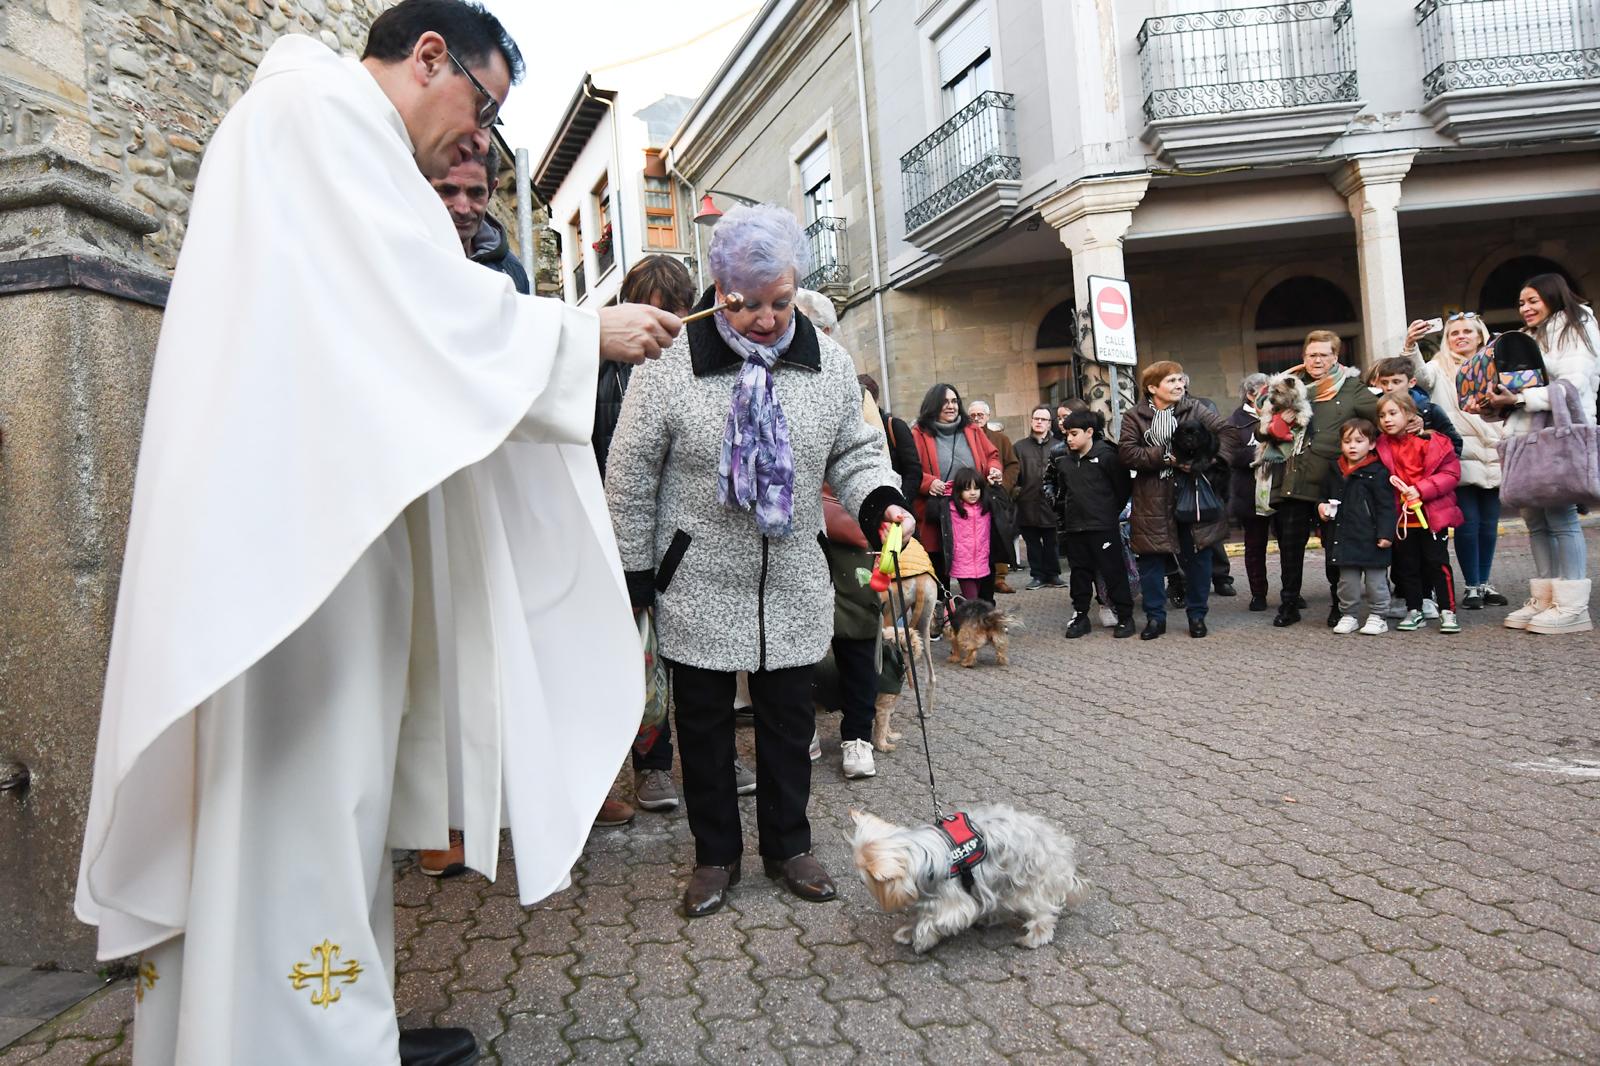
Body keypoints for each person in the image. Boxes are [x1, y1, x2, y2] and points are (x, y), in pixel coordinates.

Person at [73, 5, 682, 1064]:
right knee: (304, 810)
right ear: (430, 57)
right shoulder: (318, 114)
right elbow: (412, 306)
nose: (478, 140)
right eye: (481, 106)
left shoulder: (301, 122)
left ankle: (238, 1031)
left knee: (293, 817)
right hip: (302, 558)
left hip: (299, 528)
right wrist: (583, 331)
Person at [604, 204, 913, 919]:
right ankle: (715, 856)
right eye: (748, 305)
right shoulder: (669, 365)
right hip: (698, 576)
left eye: (781, 301)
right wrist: (635, 577)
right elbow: (630, 474)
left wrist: (879, 502)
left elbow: (858, 452)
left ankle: (789, 846)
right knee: (706, 730)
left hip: (793, 576)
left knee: (786, 724)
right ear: (719, 290)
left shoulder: (827, 363)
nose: (768, 319)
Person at [1468, 273, 1600, 634]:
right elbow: (1519, 389)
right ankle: (1545, 597)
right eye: (1521, 303)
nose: (1525, 308)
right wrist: (1494, 404)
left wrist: (1521, 397)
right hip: (1525, 438)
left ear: (1553, 297)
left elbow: (1573, 383)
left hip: (1555, 436)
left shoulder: (1576, 324)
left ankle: (1572, 605)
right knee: (1535, 521)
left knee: (1559, 517)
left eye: (1532, 301)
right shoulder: (1528, 337)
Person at [1266, 330, 1379, 628]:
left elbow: (1381, 420)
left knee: (1334, 548)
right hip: (1292, 478)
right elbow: (1261, 430)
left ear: (1335, 357)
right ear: (1304, 357)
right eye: (1312, 354)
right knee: (1290, 549)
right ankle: (1289, 604)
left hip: (1333, 482)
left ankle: (1338, 605)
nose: (1317, 359)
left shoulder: (1352, 388)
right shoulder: (1288, 386)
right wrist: (1277, 423)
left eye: (1324, 354)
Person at [1118, 361, 1235, 639]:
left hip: (1191, 492)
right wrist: (1167, 458)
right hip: (1151, 497)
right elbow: (1127, 453)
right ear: (1152, 387)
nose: (1179, 385)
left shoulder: (1195, 409)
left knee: (1198, 557)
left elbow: (1228, 433)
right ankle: (1155, 619)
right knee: (1151, 561)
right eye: (1171, 381)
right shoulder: (1135, 416)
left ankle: (1197, 616)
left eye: (1181, 380)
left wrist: (1207, 463)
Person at [1400, 312, 1507, 610]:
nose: (1460, 337)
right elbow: (1420, 376)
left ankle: (1485, 583)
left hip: (1495, 451)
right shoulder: (1438, 368)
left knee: (1489, 524)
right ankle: (1471, 585)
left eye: (1466, 332)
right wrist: (1410, 345)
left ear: (1479, 335)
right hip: (1460, 456)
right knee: (1467, 523)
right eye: (1454, 333)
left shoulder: (1496, 365)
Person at [1375, 392, 1463, 633]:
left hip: (1432, 515)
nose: (1387, 420)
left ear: (1410, 414)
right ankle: (1414, 610)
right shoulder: (1380, 445)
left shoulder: (1434, 442)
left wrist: (1420, 490)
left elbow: (1451, 474)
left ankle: (1448, 610)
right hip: (1401, 519)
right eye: (1382, 415)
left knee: (1437, 563)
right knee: (1406, 566)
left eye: (1393, 413)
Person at [909, 383, 1002, 595]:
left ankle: (984, 616)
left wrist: (994, 470)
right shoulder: (918, 433)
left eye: (954, 401)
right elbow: (908, 469)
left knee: (982, 567)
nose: (951, 406)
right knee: (940, 570)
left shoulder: (972, 429)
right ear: (933, 405)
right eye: (945, 402)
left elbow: (991, 456)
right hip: (939, 513)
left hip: (976, 513)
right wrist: (928, 482)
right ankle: (944, 617)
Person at [1053, 409, 1135, 638]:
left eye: (1074, 433)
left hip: (1103, 526)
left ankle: (1125, 616)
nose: (1069, 438)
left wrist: (1107, 514)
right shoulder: (1064, 462)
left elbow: (1122, 490)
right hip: (1075, 527)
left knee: (1113, 572)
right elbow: (1064, 491)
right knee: (1079, 574)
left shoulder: (1108, 456)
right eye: (1066, 434)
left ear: (1089, 432)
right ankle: (1080, 616)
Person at [1320, 419, 1396, 635]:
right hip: (1343, 537)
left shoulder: (1378, 472)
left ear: (1372, 444)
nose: (1352, 446)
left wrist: (1385, 533)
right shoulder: (1334, 469)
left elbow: (1386, 507)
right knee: (1347, 583)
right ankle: (1349, 614)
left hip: (1371, 538)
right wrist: (1321, 507)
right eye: (1347, 441)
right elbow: (1324, 496)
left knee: (1376, 582)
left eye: (1359, 441)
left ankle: (1379, 615)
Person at [429, 144, 529, 292]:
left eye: (476, 193)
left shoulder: (512, 271)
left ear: (492, 190)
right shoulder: (395, 253)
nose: (463, 209)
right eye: (448, 191)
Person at [1226, 373, 1272, 611]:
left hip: (1279, 490)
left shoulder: (1281, 413)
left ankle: (1290, 592)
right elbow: (1233, 456)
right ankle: (1258, 593)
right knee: (1255, 546)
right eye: (1265, 393)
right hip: (1249, 492)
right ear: (1251, 394)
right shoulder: (1234, 421)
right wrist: (1265, 452)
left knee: (1289, 544)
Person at [968, 400, 1021, 592]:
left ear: (988, 417)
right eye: (972, 415)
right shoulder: (965, 438)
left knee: (1000, 535)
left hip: (996, 496)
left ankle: (999, 577)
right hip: (973, 497)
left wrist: (1003, 486)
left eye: (980, 415)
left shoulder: (1001, 439)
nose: (976, 419)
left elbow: (1013, 465)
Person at [1014, 405, 1066, 589]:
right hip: (1027, 503)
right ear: (1031, 421)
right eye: (1036, 418)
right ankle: (1037, 575)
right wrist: (1017, 493)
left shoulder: (1059, 447)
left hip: (1051, 504)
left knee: (1052, 542)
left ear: (1049, 423)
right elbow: (1014, 475)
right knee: (1032, 542)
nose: (1039, 422)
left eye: (1043, 419)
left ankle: (1053, 575)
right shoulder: (1019, 447)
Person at [1368, 356, 1464, 455]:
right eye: (1384, 383)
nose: (1389, 388)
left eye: (1396, 382)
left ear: (1411, 382)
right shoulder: (1374, 410)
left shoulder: (1429, 410)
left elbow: (1455, 446)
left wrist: (1425, 435)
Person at [859, 374, 922, 502]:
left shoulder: (895, 426)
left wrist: (902, 502)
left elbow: (913, 471)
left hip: (896, 507)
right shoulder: (854, 430)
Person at [946, 467, 1005, 602]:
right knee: (973, 600)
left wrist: (995, 486)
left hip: (982, 562)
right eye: (967, 489)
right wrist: (946, 489)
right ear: (959, 491)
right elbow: (932, 509)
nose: (973, 493)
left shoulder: (985, 507)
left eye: (976, 488)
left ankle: (967, 615)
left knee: (979, 599)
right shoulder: (951, 508)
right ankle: (971, 620)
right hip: (962, 564)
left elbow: (1004, 504)